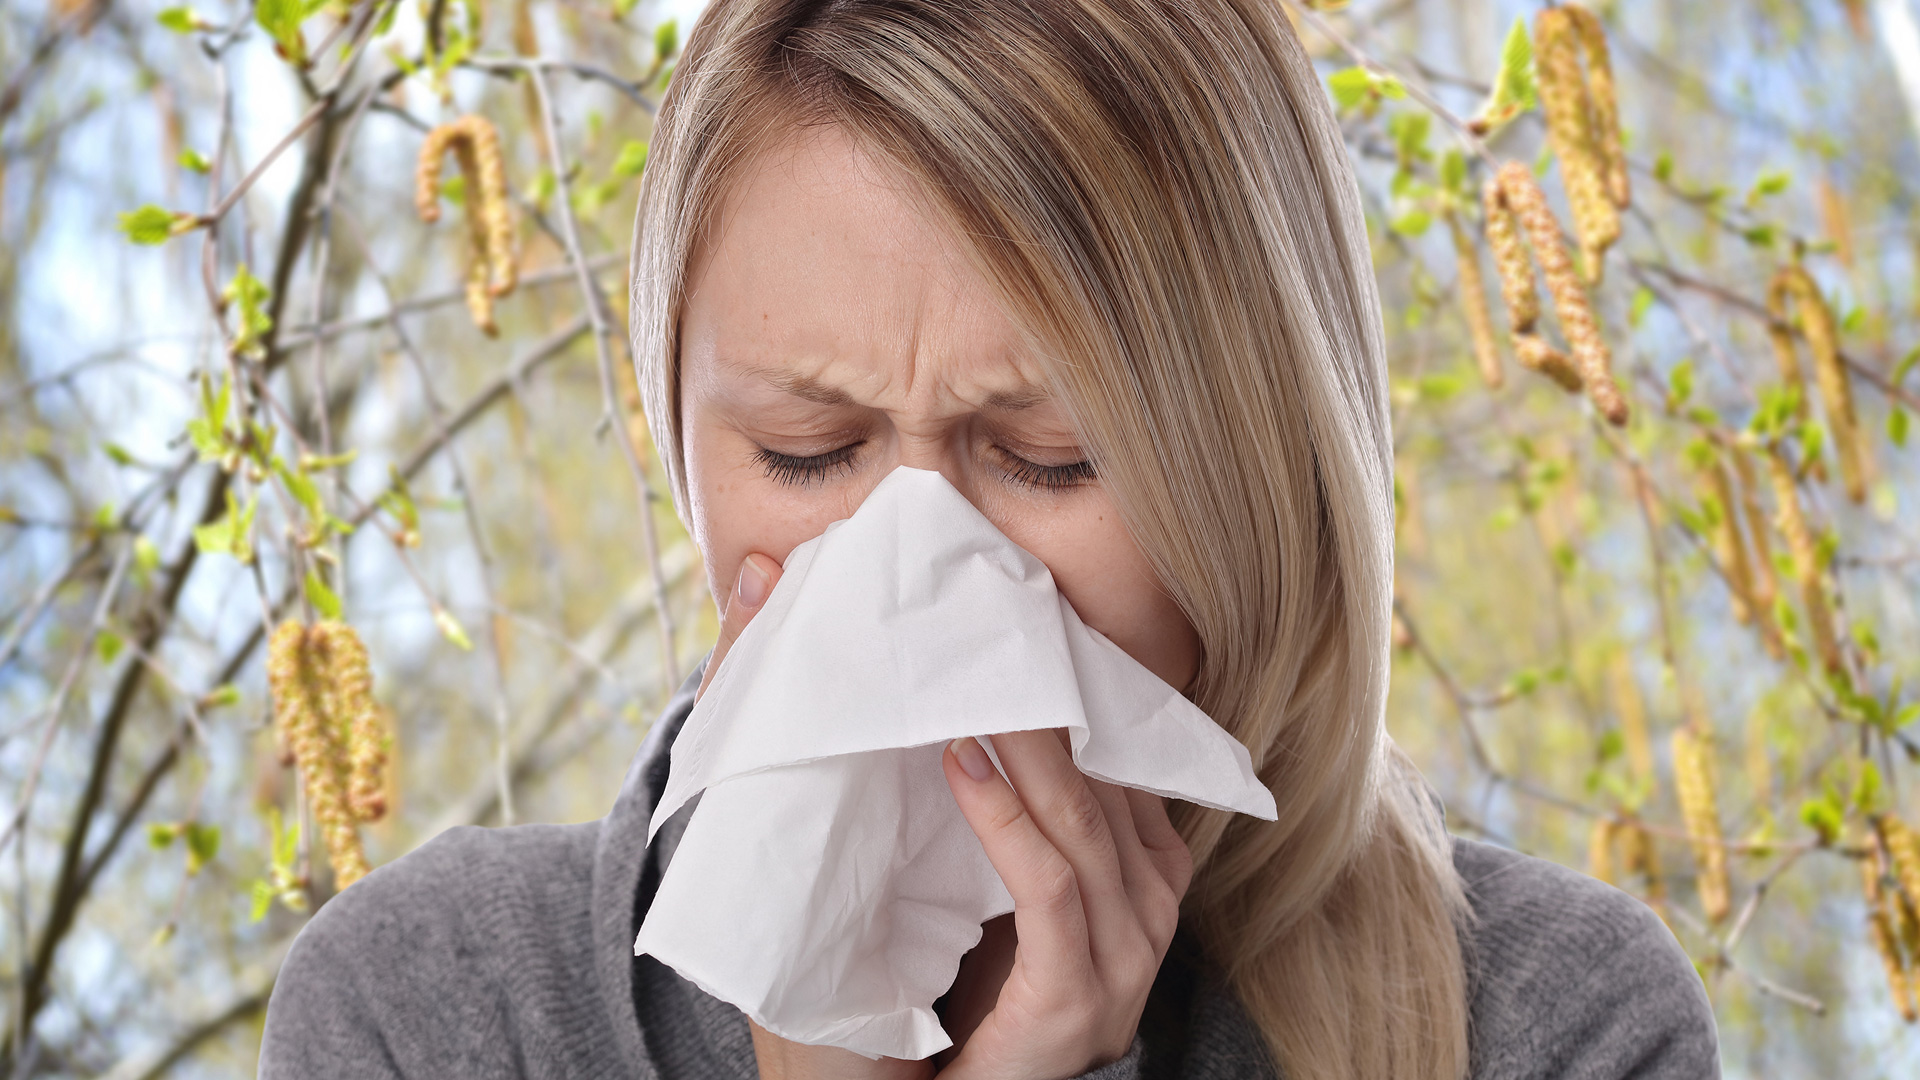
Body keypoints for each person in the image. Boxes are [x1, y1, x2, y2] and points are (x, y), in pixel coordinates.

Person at [258, 1, 1720, 1077]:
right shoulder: (429, 1015)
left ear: (1264, 472)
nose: (916, 582)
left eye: (1050, 461)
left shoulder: (1550, 1024)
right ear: (681, 448)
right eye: (806, 453)